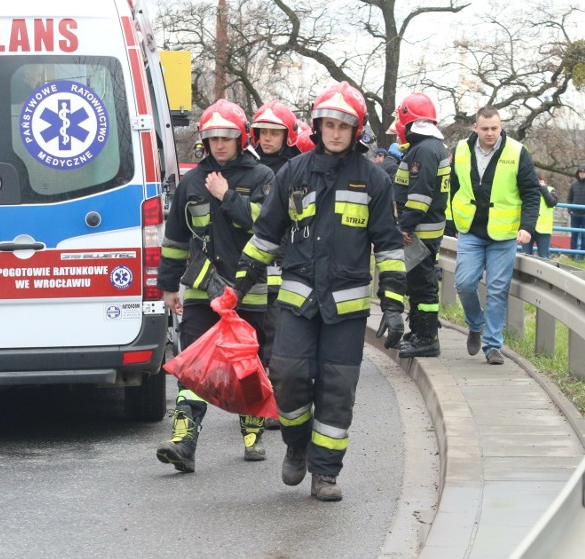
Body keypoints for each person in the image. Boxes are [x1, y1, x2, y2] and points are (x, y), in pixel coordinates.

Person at [235, 82, 406, 501]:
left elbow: (388, 245)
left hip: (345, 309)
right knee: (287, 376)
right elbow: (266, 234)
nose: (334, 133)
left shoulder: (374, 181)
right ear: (317, 127)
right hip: (297, 300)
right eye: (328, 125)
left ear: (356, 130)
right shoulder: (293, 172)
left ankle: (325, 473)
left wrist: (396, 305)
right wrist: (237, 286)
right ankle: (296, 445)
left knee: (337, 389)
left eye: (342, 126)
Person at [156, 99, 275, 472]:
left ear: (241, 139)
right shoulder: (191, 182)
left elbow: (266, 227)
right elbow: (175, 238)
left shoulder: (262, 178)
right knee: (193, 367)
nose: (219, 145)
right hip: (200, 291)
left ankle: (253, 434)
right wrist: (168, 285)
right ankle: (183, 443)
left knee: (249, 366)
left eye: (226, 138)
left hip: (248, 290)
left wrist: (227, 197)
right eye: (212, 138)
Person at [450, 106, 539, 365]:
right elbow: (452, 187)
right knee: (464, 283)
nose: (490, 133)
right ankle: (476, 324)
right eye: (485, 128)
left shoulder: (516, 152)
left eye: (494, 128)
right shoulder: (461, 150)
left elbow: (531, 192)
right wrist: (453, 221)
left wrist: (527, 227)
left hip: (504, 234)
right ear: (475, 128)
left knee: (497, 289)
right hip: (470, 231)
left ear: (501, 127)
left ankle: (492, 345)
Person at [250, 100, 302, 430]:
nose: (267, 138)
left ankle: (277, 400)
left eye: (274, 133)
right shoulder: (247, 167)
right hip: (253, 260)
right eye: (263, 132)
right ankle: (258, 399)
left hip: (286, 260)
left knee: (279, 332)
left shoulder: (297, 167)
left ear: (288, 136)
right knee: (256, 333)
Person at [388, 93, 450, 359]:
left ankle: (427, 338)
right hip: (425, 230)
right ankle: (419, 331)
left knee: (422, 286)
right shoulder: (431, 147)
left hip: (420, 232)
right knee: (418, 283)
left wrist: (405, 225)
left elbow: (420, 195)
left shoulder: (423, 151)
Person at [522, 175, 558, 260]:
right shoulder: (526, 190)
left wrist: (543, 189)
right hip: (528, 227)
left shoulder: (550, 190)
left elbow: (552, 202)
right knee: (525, 256)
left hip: (544, 229)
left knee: (544, 257)